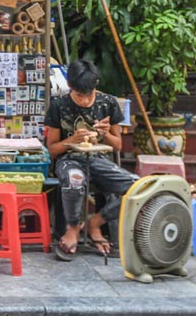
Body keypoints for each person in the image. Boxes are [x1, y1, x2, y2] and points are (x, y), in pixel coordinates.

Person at [45, 58, 138, 261]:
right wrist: (71, 140)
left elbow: (118, 145)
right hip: (69, 160)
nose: (85, 101)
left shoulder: (108, 103)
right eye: (79, 96)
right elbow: (52, 149)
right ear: (70, 86)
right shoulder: (59, 106)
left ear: (96, 85)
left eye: (89, 96)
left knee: (138, 187)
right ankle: (71, 229)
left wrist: (104, 135)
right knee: (74, 180)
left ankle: (94, 223)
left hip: (99, 160)